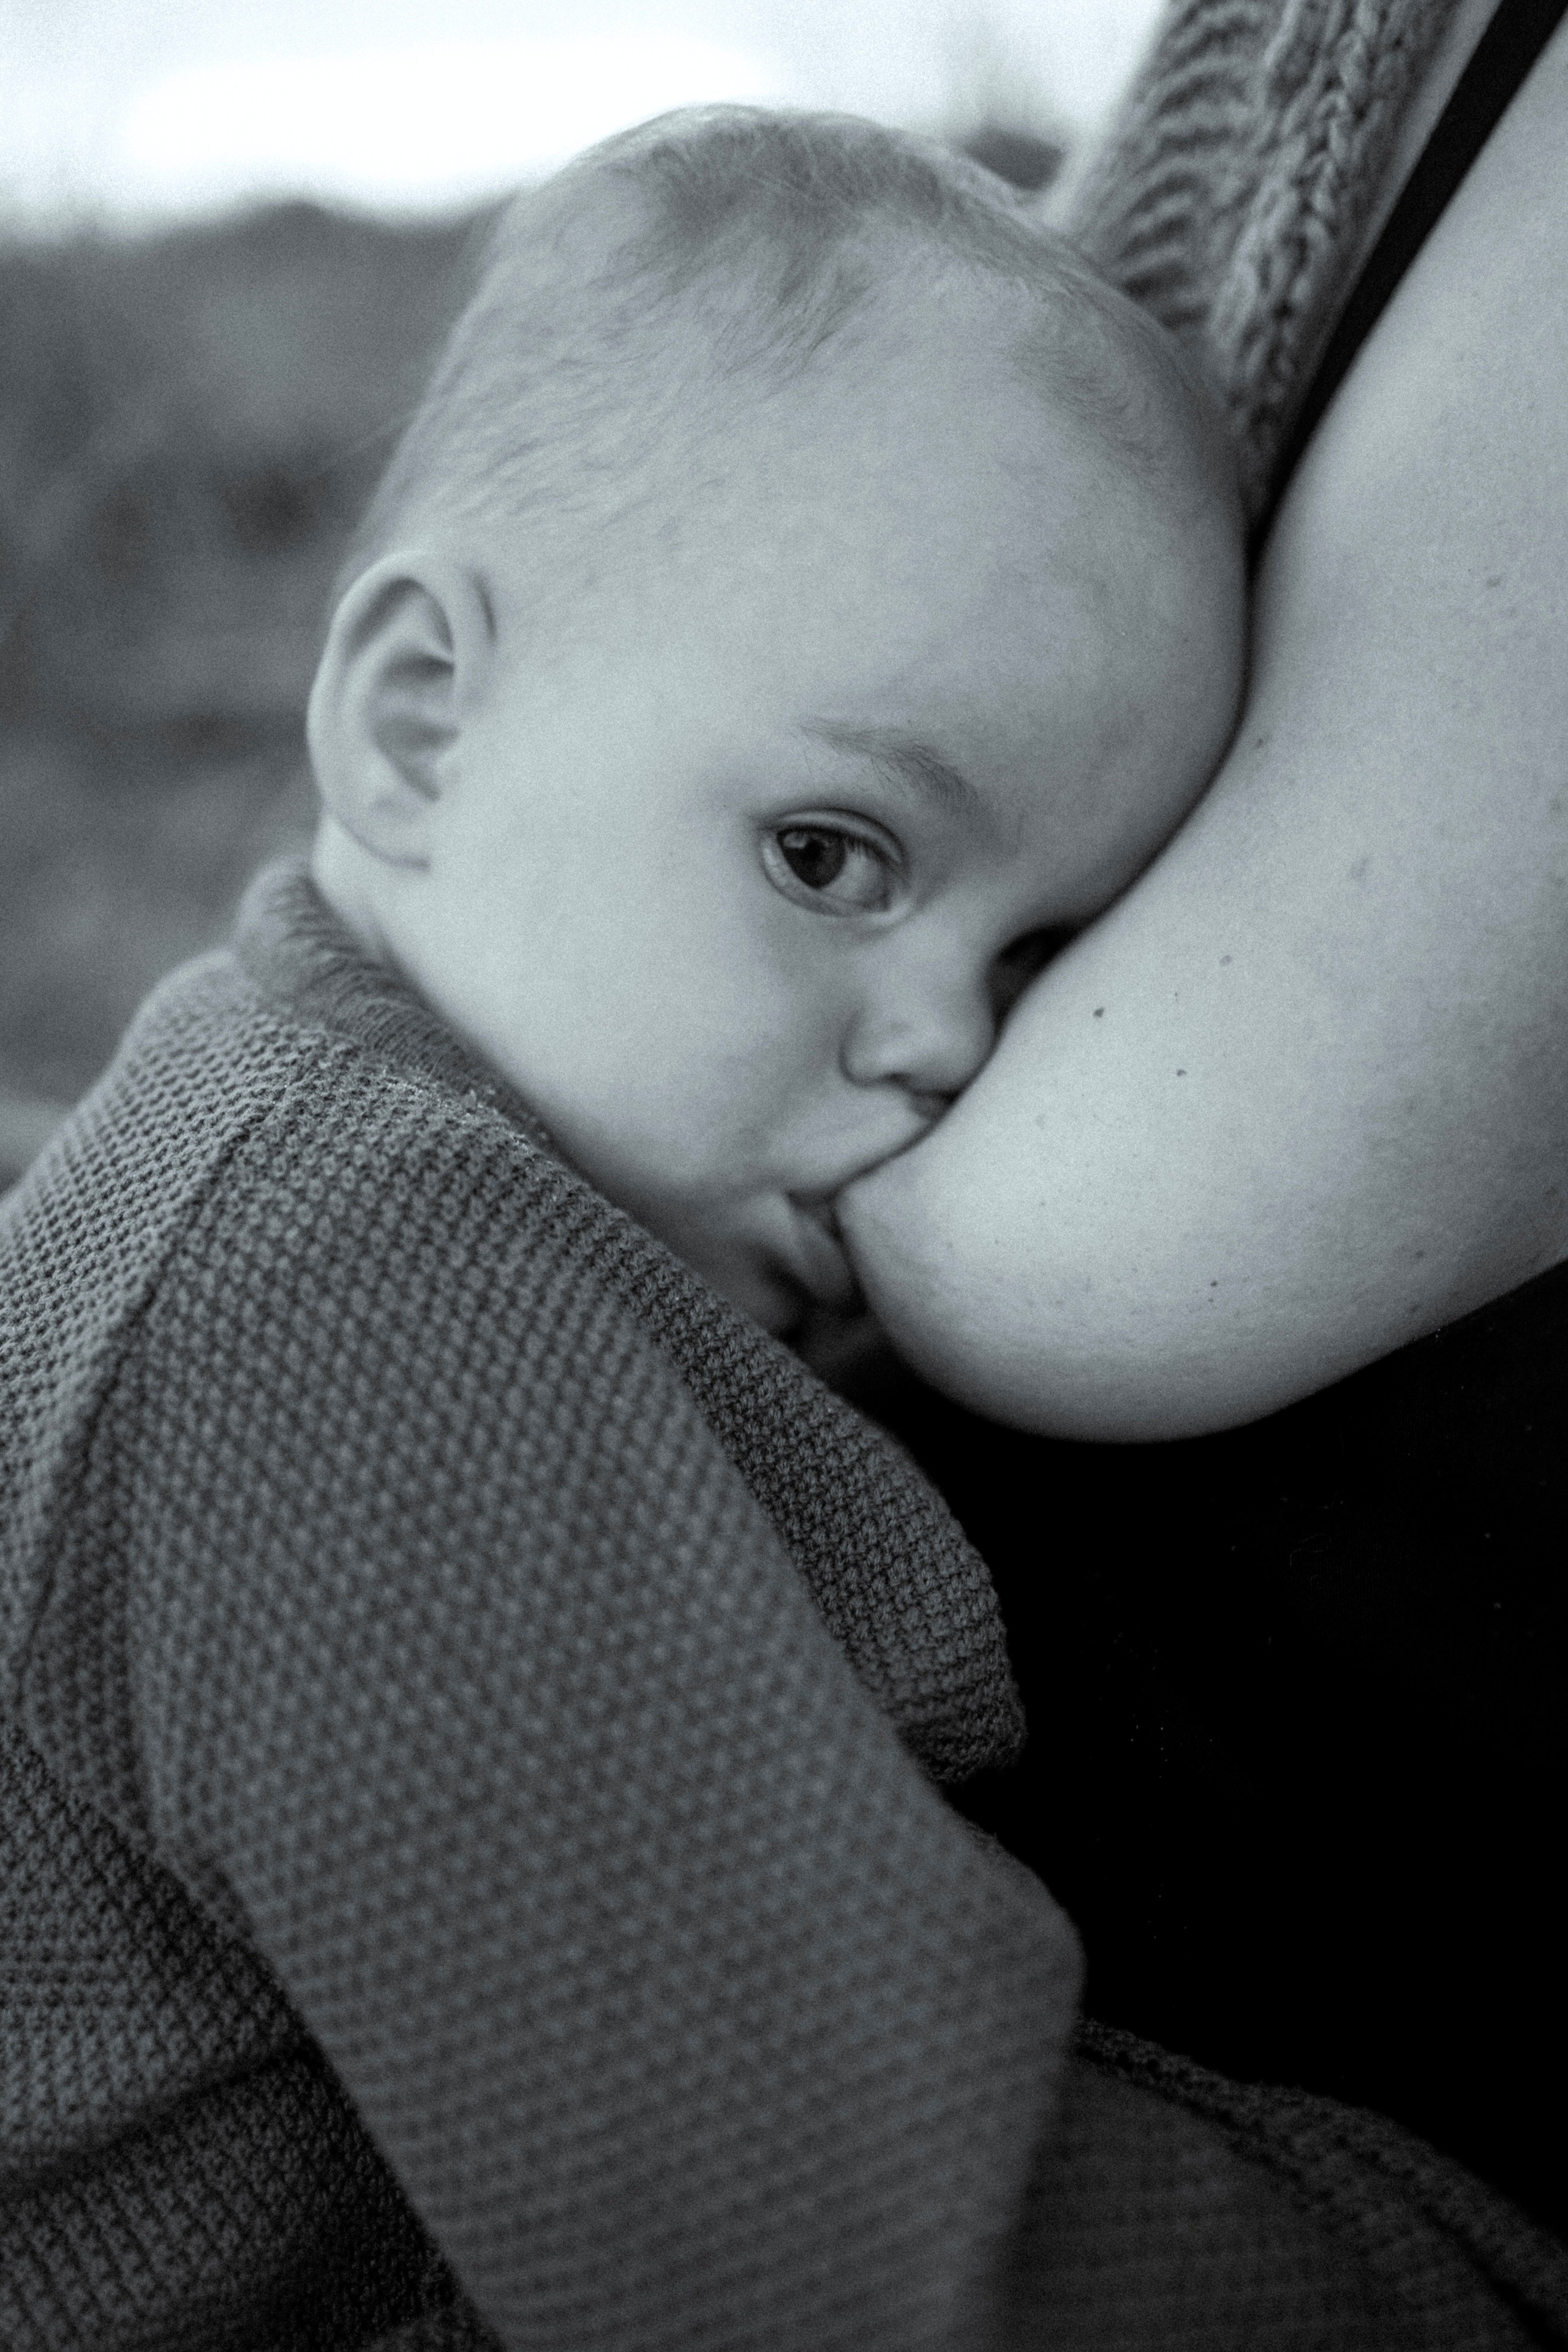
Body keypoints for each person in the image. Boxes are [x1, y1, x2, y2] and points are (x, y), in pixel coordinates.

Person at [0, 102, 1558, 2352]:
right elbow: (858, 2287)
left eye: (1048, 961)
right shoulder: (357, 1303)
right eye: (836, 854)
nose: (948, 1043)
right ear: (421, 722)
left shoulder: (362, 1162)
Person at [838, 0, 1568, 2247]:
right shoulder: (1278, 80)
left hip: (1310, 2121)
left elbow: (1090, 1237)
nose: (939, 1033)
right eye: (827, 860)